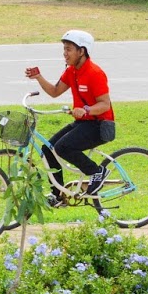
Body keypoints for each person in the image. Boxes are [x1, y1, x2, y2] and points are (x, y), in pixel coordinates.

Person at [24, 29, 115, 200]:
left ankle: (97, 172)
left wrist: (86, 110)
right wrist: (38, 77)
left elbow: (105, 104)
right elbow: (55, 91)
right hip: (83, 123)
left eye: (69, 49)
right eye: (64, 49)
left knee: (63, 147)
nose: (65, 53)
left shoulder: (95, 73)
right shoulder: (72, 71)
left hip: (100, 124)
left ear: (82, 51)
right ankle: (58, 195)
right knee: (48, 149)